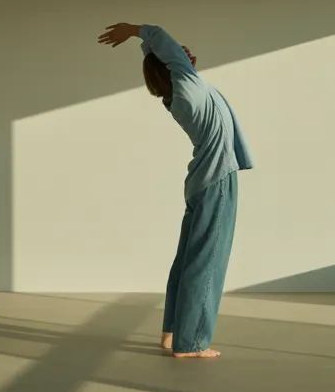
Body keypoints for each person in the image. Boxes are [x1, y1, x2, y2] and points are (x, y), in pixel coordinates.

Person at [97, 23, 254, 359]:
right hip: (217, 181)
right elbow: (163, 45)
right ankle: (192, 342)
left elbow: (162, 57)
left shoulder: (179, 93)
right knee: (207, 262)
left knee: (186, 260)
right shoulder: (186, 86)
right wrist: (136, 30)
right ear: (173, 65)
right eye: (180, 53)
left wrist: (153, 51)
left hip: (201, 181)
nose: (186, 53)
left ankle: (172, 332)